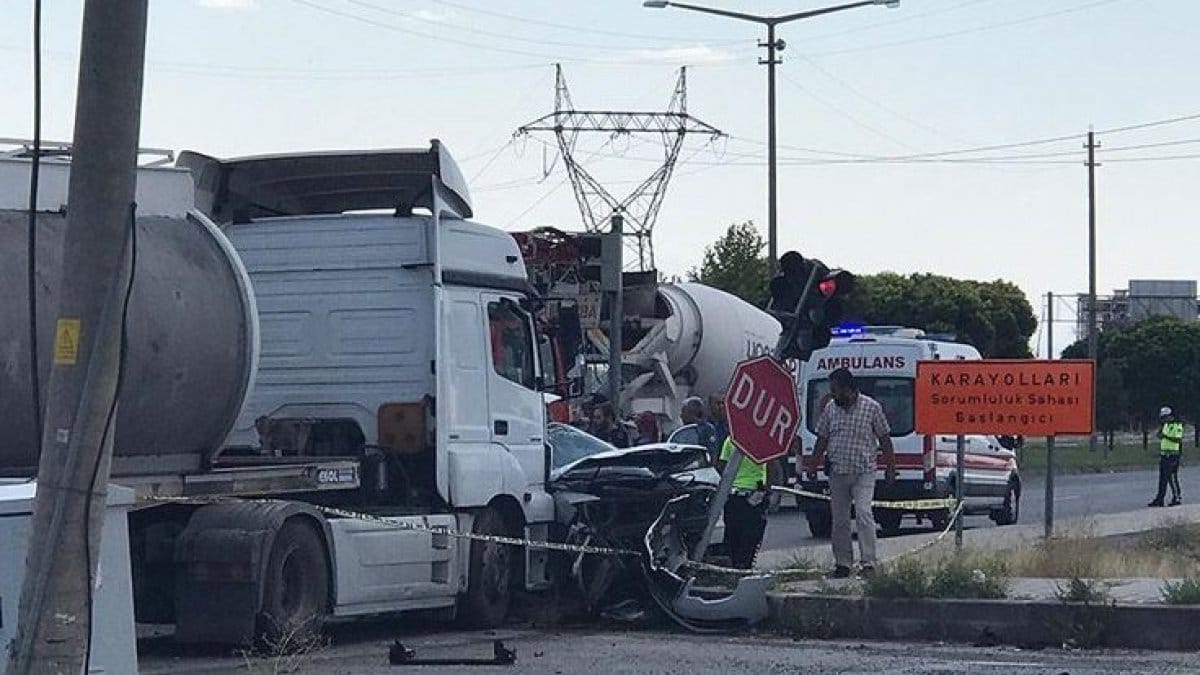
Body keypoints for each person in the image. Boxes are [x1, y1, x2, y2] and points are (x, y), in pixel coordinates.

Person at [808, 368, 896, 578]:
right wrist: (813, 465)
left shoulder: (871, 407)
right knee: (839, 520)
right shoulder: (831, 408)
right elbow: (822, 437)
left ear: (849, 389)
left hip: (864, 471)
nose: (834, 395)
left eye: (836, 390)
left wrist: (891, 468)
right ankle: (843, 563)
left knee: (864, 514)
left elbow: (884, 438)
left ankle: (868, 563)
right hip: (838, 471)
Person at [716, 437, 777, 569]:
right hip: (755, 493)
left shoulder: (731, 439)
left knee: (733, 534)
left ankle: (735, 566)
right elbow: (771, 464)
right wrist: (768, 488)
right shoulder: (762, 439)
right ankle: (745, 565)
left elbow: (721, 465)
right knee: (752, 535)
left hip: (733, 494)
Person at [1150, 406, 1185, 507]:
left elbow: (1177, 439)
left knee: (1172, 477)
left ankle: (1177, 497)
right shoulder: (1165, 425)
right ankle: (1159, 499)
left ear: (1170, 416)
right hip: (1164, 454)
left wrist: (1165, 436)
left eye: (1165, 417)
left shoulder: (1177, 425)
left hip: (1173, 455)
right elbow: (1160, 435)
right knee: (1162, 478)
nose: (1164, 419)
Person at [681, 396, 718, 461]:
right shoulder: (682, 431)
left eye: (683, 412)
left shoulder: (707, 429)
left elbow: (712, 452)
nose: (681, 416)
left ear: (692, 413)